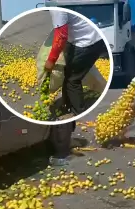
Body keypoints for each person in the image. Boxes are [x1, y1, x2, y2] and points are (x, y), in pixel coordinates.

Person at [45, 11, 105, 166]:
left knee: (73, 79)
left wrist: (51, 60)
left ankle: (77, 111)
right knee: (68, 73)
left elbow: (61, 36)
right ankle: (67, 106)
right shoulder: (57, 8)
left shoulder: (57, 10)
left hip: (89, 43)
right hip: (81, 40)